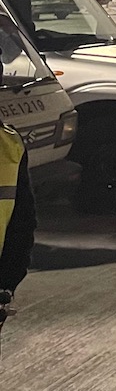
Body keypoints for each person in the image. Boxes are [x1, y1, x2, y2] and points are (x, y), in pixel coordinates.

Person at [0, 120, 37, 330]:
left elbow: (22, 221)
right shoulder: (9, 142)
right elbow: (23, 223)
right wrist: (7, 283)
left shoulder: (11, 142)